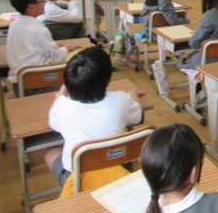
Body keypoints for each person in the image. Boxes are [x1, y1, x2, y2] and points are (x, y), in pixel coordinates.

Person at [44, 47, 143, 186]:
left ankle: (74, 192)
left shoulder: (61, 105)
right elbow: (138, 116)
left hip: (78, 180)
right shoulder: (121, 99)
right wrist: (132, 92)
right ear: (107, 80)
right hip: (119, 170)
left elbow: (53, 125)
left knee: (51, 152)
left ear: (69, 80)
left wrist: (61, 93)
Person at [6, 0, 81, 94]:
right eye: (42, 0)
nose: (45, 3)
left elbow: (30, 47)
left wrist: (54, 45)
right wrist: (66, 49)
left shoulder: (14, 24)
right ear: (31, 7)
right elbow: (56, 57)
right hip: (40, 84)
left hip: (19, 84)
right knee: (77, 76)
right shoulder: (40, 30)